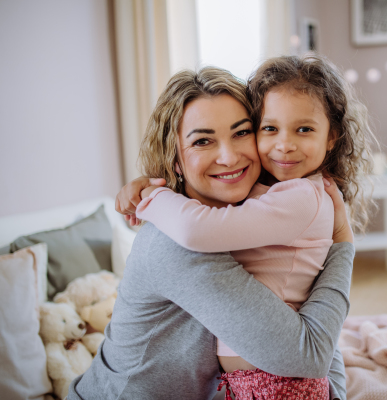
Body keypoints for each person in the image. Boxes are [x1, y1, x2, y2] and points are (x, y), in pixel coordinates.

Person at [67, 67, 355, 400]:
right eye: (203, 141)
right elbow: (310, 355)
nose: (229, 156)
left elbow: (318, 332)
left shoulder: (249, 219)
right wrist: (343, 244)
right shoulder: (179, 244)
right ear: (174, 158)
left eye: (241, 132)